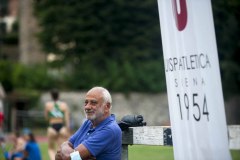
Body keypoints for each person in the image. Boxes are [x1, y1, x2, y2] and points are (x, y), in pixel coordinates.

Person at [55, 87, 122, 160]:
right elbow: (66, 145)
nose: (87, 107)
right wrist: (74, 155)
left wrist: (68, 154)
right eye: (86, 102)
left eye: (93, 103)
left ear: (107, 106)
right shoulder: (88, 123)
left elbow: (69, 158)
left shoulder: (109, 129)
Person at [44, 89, 70, 160]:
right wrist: (67, 130)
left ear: (51, 96)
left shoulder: (48, 105)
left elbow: (46, 118)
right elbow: (67, 119)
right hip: (61, 127)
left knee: (51, 149)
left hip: (52, 127)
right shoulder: (64, 105)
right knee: (60, 148)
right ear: (58, 96)